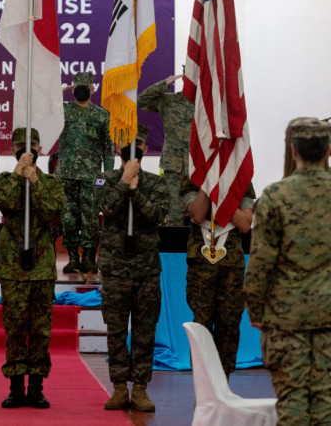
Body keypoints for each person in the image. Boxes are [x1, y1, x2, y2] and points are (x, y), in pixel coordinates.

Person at [245, 117, 331, 425]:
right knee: (327, 401)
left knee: (292, 401)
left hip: (285, 320)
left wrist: (256, 310)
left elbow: (259, 264)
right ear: (328, 150)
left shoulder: (275, 196)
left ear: (293, 150)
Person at [94, 125, 169, 412]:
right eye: (127, 145)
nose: (132, 150)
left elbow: (157, 216)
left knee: (144, 331)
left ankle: (140, 388)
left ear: (146, 149)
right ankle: (117, 388)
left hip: (146, 269)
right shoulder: (105, 178)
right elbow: (106, 207)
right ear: (118, 149)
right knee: (115, 330)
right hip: (115, 269)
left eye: (138, 145)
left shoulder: (157, 183)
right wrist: (124, 181)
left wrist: (136, 190)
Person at [0, 127, 64, 409]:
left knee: (41, 330)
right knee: (15, 328)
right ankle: (15, 387)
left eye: (31, 147)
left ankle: (36, 387)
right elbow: (6, 202)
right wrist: (20, 178)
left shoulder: (52, 183)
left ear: (41, 150)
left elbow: (51, 211)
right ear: (13, 151)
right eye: (21, 148)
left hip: (42, 267)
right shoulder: (3, 181)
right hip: (13, 266)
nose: (26, 152)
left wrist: (36, 182)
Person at [182, 164, 255, 380]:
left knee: (229, 326)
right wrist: (210, 185)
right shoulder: (194, 176)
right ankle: (204, 389)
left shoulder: (242, 178)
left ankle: (223, 385)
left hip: (231, 265)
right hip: (201, 264)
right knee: (202, 326)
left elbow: (244, 224)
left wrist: (224, 194)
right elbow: (197, 214)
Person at [56, 71, 114, 274]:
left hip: (92, 177)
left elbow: (108, 148)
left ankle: (89, 258)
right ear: (73, 88)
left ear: (91, 89)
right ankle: (72, 258)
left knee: (90, 217)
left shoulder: (101, 115)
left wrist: (108, 176)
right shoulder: (62, 110)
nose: (81, 91)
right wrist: (62, 92)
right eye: (77, 87)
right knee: (69, 217)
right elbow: (44, 108)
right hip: (66, 175)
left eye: (85, 87)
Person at [137, 73, 194, 225]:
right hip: (173, 167)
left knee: (200, 216)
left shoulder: (206, 105)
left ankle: (198, 249)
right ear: (183, 79)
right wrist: (164, 84)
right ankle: (175, 249)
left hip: (198, 167)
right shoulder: (169, 101)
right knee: (175, 215)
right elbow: (141, 100)